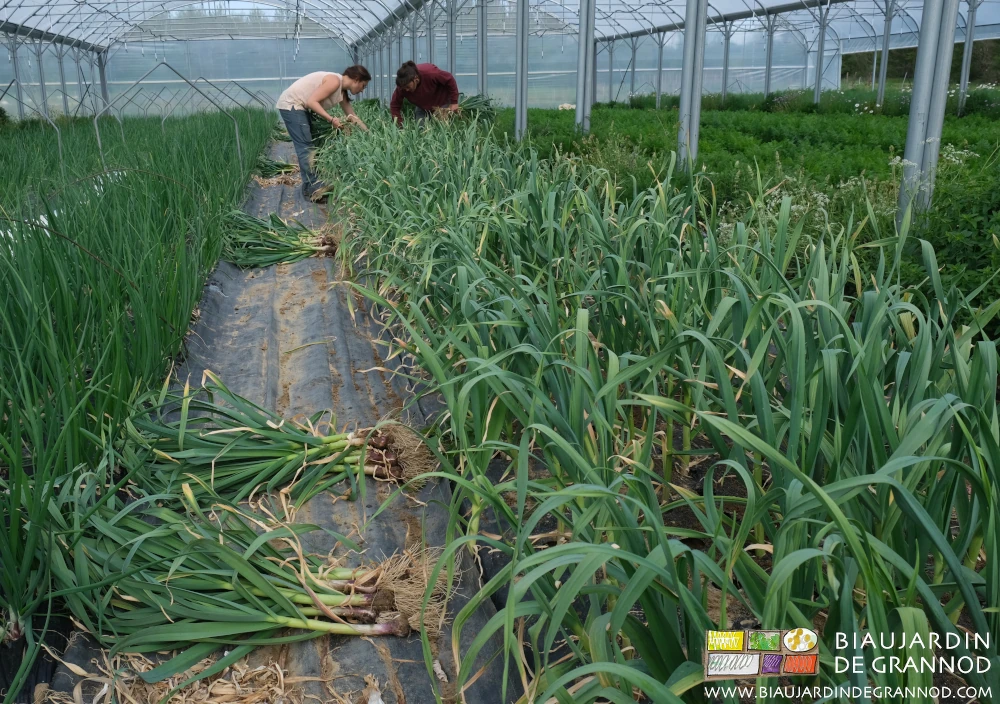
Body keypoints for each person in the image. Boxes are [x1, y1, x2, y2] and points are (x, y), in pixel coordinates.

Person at [276, 66, 371, 201]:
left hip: (299, 107)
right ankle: (314, 190)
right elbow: (311, 102)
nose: (362, 90)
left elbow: (352, 116)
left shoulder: (342, 92)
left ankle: (310, 185)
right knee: (306, 147)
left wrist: (369, 134)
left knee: (311, 145)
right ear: (356, 79)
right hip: (292, 105)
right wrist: (331, 119)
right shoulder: (335, 81)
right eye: (363, 85)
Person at [390, 61, 460, 127]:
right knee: (420, 129)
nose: (406, 90)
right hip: (423, 107)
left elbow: (449, 79)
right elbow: (394, 106)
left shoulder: (430, 73)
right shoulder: (402, 87)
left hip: (442, 104)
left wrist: (454, 102)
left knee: (443, 129)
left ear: (416, 79)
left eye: (408, 87)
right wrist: (400, 126)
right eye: (404, 88)